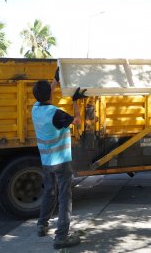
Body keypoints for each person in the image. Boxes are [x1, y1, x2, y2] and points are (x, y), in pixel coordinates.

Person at [32, 68, 87, 250]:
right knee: (65, 197)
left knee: (49, 192)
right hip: (61, 161)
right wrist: (75, 102)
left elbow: (48, 93)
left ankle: (42, 225)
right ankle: (61, 237)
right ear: (49, 94)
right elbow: (77, 121)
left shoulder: (36, 108)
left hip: (46, 161)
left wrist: (55, 79)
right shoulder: (56, 114)